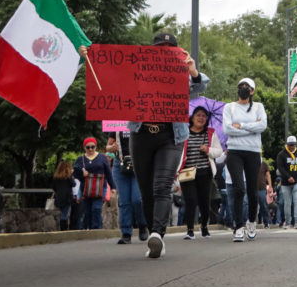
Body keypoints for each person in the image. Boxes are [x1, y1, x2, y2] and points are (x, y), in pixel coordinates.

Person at [82, 34, 209, 259]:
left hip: (171, 138)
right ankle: (153, 234)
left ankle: (158, 234)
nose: (165, 51)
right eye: (161, 48)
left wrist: (192, 71)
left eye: (171, 48)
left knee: (161, 185)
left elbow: (200, 86)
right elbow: (111, 80)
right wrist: (91, 58)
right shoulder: (137, 74)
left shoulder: (181, 76)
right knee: (146, 191)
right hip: (141, 136)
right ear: (152, 52)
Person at [223, 77, 268, 242]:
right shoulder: (230, 107)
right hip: (234, 151)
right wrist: (251, 128)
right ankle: (238, 226)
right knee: (238, 189)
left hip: (253, 151)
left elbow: (262, 126)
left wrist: (240, 126)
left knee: (252, 190)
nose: (243, 88)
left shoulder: (258, 107)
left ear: (252, 91)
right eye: (240, 86)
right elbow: (227, 128)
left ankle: (251, 221)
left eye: (247, 87)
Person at [179, 106, 222, 239]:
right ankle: (190, 229)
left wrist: (208, 149)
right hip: (187, 172)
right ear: (192, 117)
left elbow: (218, 151)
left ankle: (204, 226)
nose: (201, 118)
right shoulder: (184, 132)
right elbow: (178, 152)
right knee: (190, 200)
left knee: (204, 201)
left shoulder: (210, 133)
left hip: (205, 172)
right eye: (198, 115)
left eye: (204, 116)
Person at [107, 130, 148, 244]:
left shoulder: (140, 123)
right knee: (124, 201)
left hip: (138, 163)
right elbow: (108, 146)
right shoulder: (117, 124)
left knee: (137, 199)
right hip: (119, 164)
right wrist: (112, 148)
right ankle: (126, 233)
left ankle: (142, 225)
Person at [73, 137, 116, 230]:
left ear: (95, 147)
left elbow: (108, 172)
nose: (90, 149)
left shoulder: (102, 158)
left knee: (96, 209)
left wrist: (113, 187)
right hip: (86, 189)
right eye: (88, 147)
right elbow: (75, 173)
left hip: (100, 188)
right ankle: (87, 229)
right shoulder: (80, 159)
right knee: (87, 211)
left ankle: (96, 229)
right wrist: (81, 172)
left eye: (92, 147)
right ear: (84, 148)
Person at [276, 136, 297, 229]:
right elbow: (281, 168)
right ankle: (288, 222)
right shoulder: (281, 155)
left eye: (293, 145)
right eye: (290, 145)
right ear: (287, 145)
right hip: (285, 183)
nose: (292, 147)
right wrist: (288, 177)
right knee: (287, 203)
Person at [52, 160, 75, 232]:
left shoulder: (56, 177)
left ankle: (63, 228)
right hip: (67, 198)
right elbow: (74, 184)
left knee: (62, 213)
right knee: (65, 215)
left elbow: (53, 187)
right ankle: (64, 229)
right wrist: (71, 175)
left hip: (58, 198)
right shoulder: (68, 177)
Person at [257, 159, 273, 229]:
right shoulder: (249, 162)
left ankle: (267, 223)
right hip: (251, 188)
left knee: (263, 205)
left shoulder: (264, 164)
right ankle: (247, 222)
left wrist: (270, 186)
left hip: (262, 188)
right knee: (249, 205)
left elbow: (268, 175)